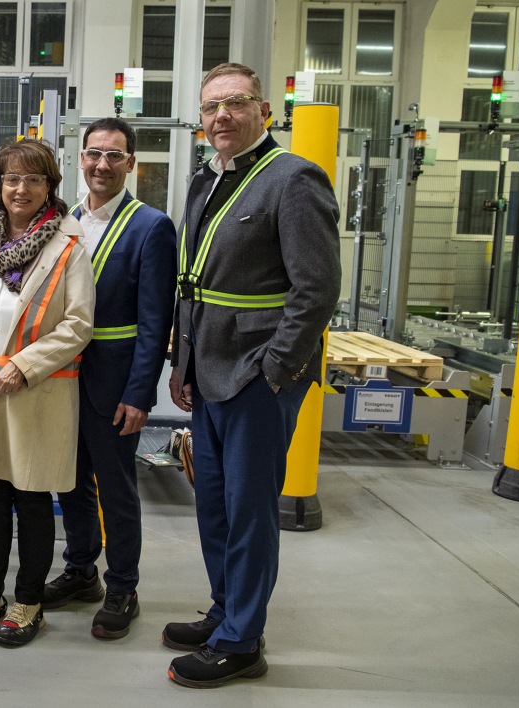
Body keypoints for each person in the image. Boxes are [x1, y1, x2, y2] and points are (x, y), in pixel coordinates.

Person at [164, 62, 340, 688]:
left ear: (264, 110)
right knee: (213, 505)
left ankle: (242, 641)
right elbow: (194, 286)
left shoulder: (293, 180)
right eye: (211, 107)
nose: (222, 117)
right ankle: (225, 611)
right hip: (209, 374)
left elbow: (316, 290)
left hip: (257, 378)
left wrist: (275, 369)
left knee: (249, 510)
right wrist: (181, 365)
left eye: (236, 104)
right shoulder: (204, 182)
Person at [0, 138, 94, 647]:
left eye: (33, 179)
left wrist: (25, 367)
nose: (20, 188)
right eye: (10, 178)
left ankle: (29, 601)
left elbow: (77, 326)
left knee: (31, 497)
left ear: (49, 186)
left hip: (38, 393)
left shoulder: (67, 247)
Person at [42, 118, 176, 639]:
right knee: (69, 479)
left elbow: (154, 321)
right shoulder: (64, 220)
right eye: (94, 153)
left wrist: (140, 393)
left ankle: (123, 585)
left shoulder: (150, 227)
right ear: (82, 158)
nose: (102, 164)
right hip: (63, 375)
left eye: (114, 156)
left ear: (131, 164)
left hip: (114, 381)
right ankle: (81, 570)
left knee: (116, 488)